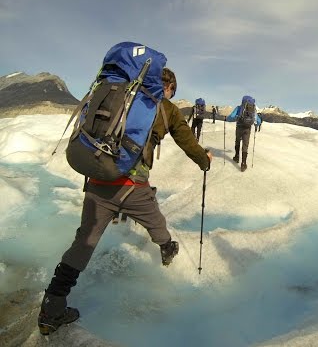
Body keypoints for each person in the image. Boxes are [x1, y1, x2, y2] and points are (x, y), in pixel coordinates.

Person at [38, 68, 213, 335]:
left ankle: (51, 308)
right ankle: (168, 253)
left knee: (84, 242)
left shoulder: (119, 96)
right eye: (172, 91)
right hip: (132, 186)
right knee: (157, 224)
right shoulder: (166, 107)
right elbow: (187, 142)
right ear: (168, 88)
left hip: (98, 181)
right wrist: (204, 160)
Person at [226, 95, 260, 172]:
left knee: (237, 141)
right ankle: (243, 164)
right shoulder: (253, 110)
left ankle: (237, 156)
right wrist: (256, 125)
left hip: (239, 127)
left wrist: (227, 119)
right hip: (247, 129)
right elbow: (258, 121)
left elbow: (231, 116)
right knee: (245, 145)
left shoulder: (239, 108)